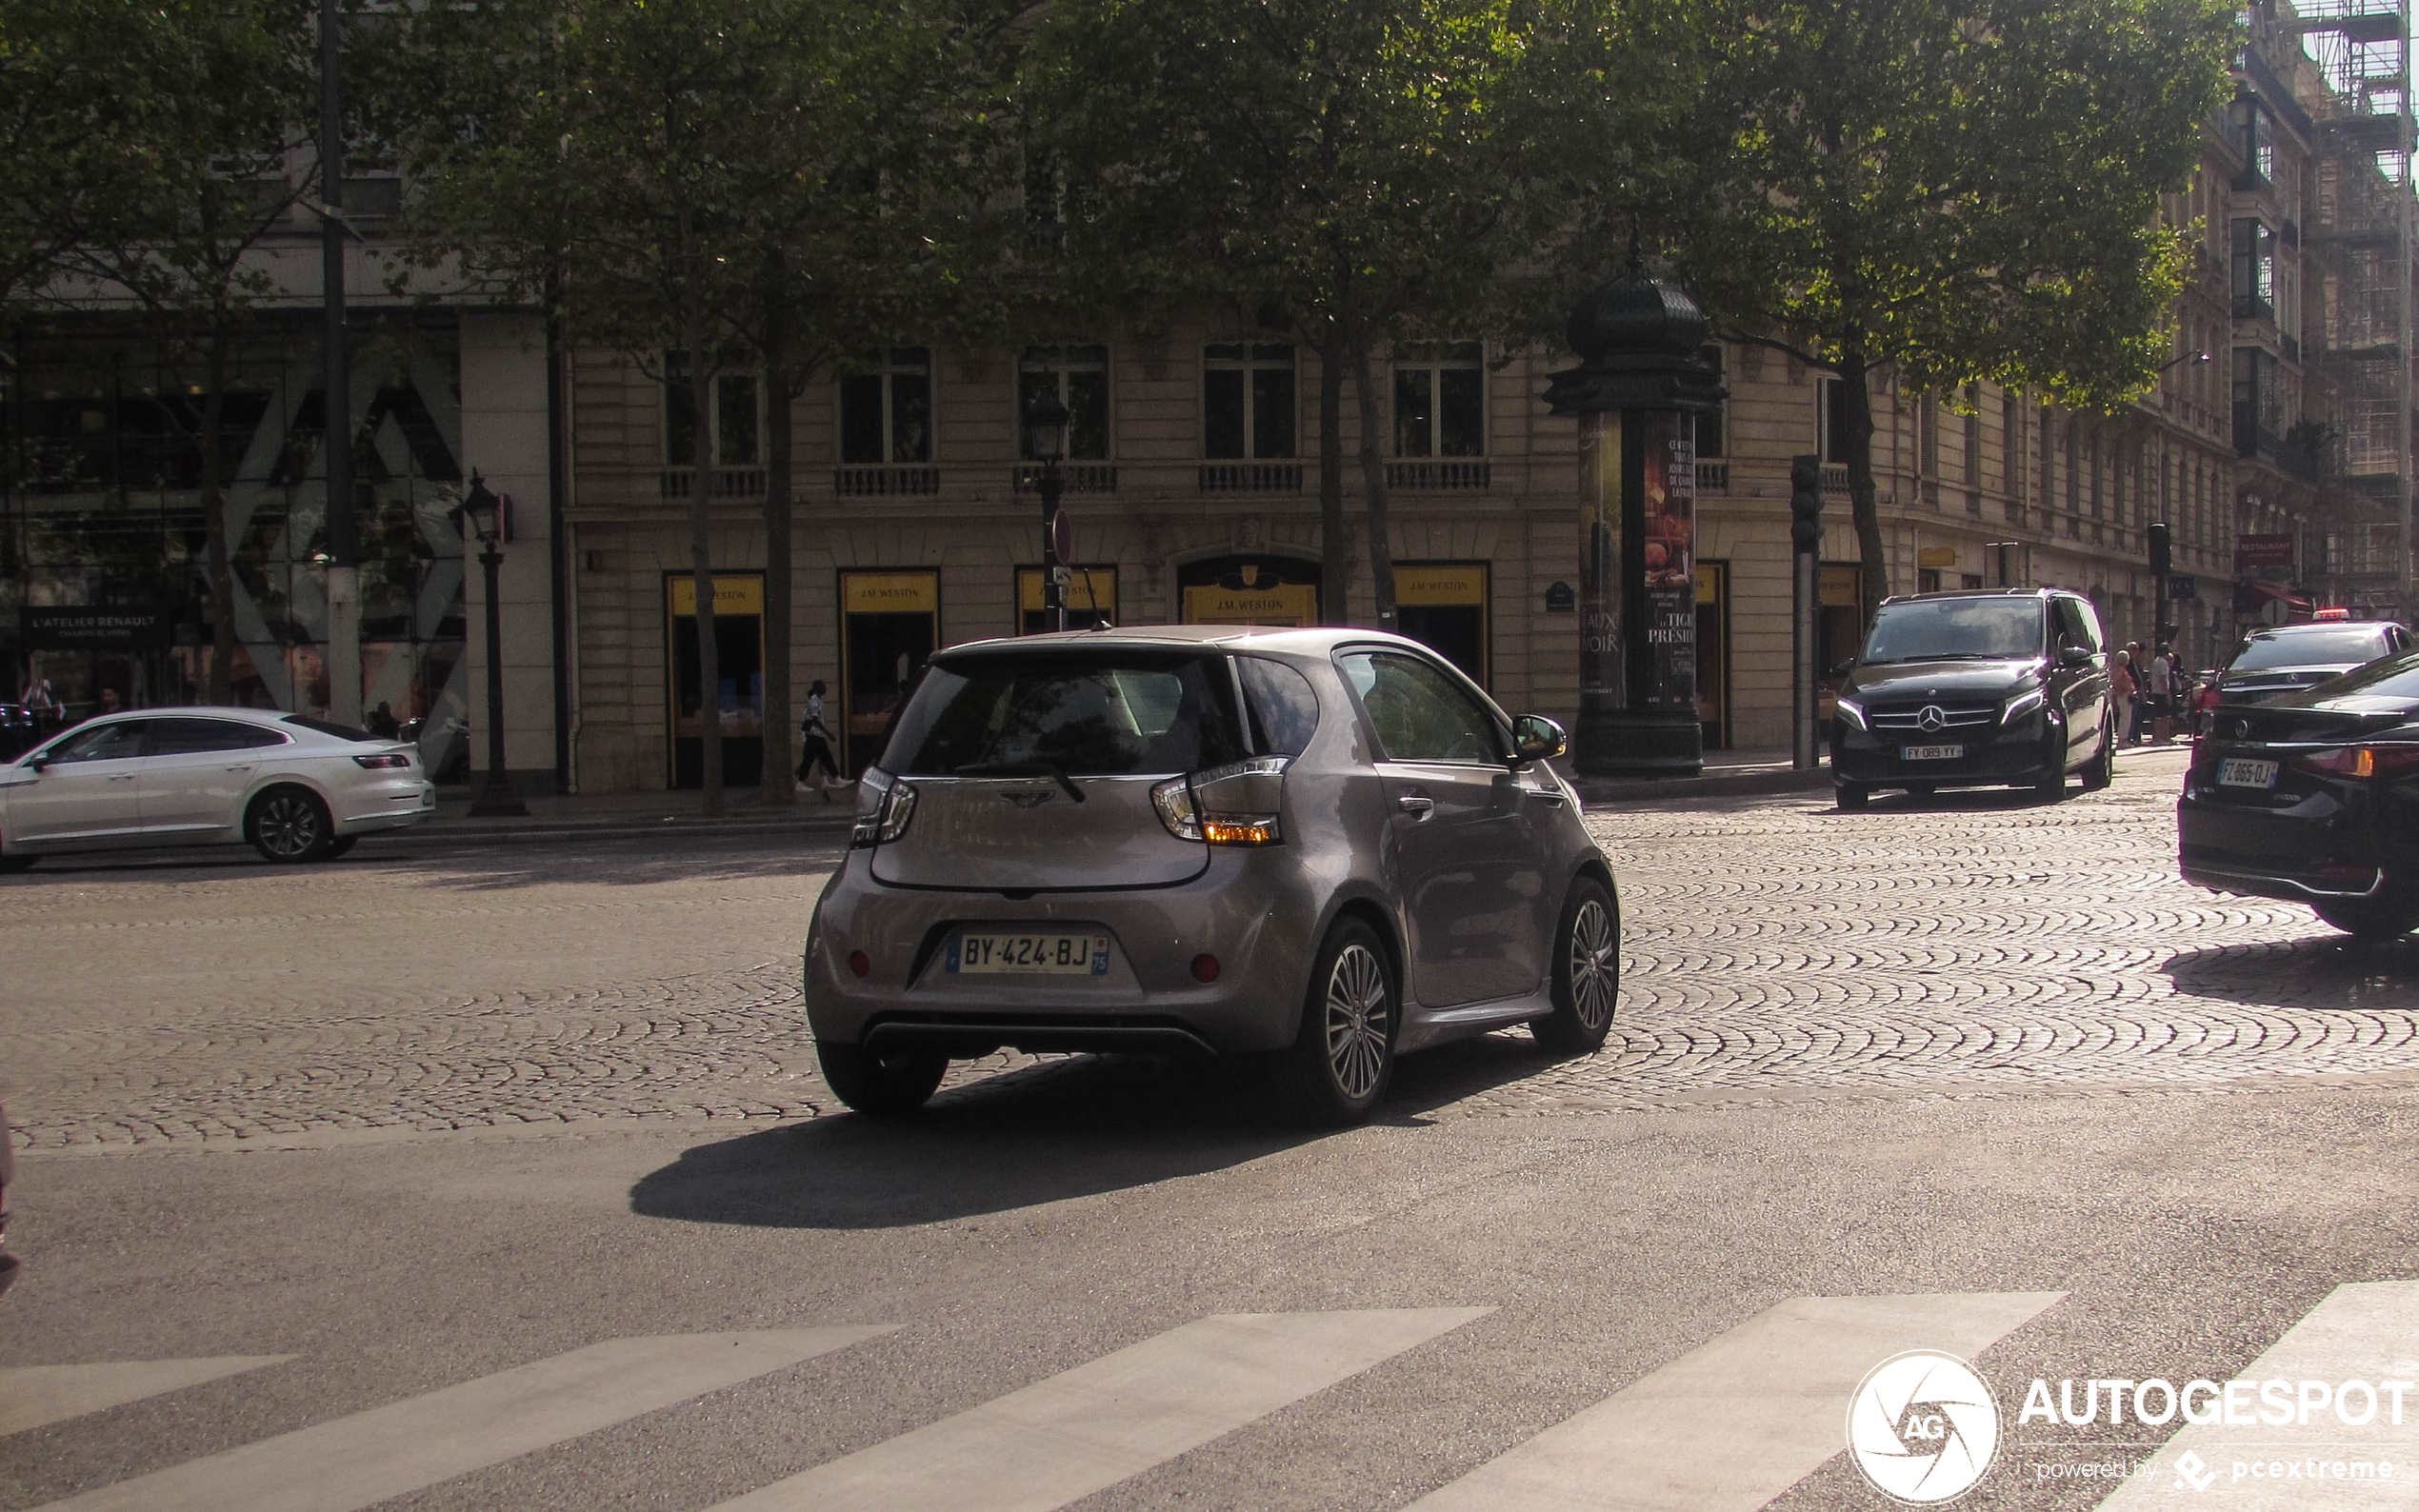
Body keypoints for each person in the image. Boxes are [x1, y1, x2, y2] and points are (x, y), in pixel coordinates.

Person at [797, 679, 843, 800]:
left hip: (816, 735)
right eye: (823, 686)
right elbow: (814, 722)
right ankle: (800, 779)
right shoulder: (812, 704)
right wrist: (828, 733)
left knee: (821, 758)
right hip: (812, 735)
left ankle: (828, 780)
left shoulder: (816, 703)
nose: (826, 688)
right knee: (811, 759)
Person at [2147, 642, 2177, 744]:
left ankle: (2159, 737)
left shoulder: (2156, 661)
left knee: (2159, 715)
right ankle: (2163, 737)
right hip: (2162, 692)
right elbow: (2163, 679)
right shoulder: (2163, 662)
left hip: (2156, 690)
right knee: (2164, 716)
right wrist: (2168, 694)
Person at [2122, 641, 2148, 744]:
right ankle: (2130, 737)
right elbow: (2136, 679)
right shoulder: (2128, 663)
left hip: (2135, 692)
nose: (2136, 651)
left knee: (2136, 715)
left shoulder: (2134, 662)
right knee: (2130, 716)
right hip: (2131, 693)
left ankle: (2134, 736)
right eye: (2134, 649)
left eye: (2137, 649)